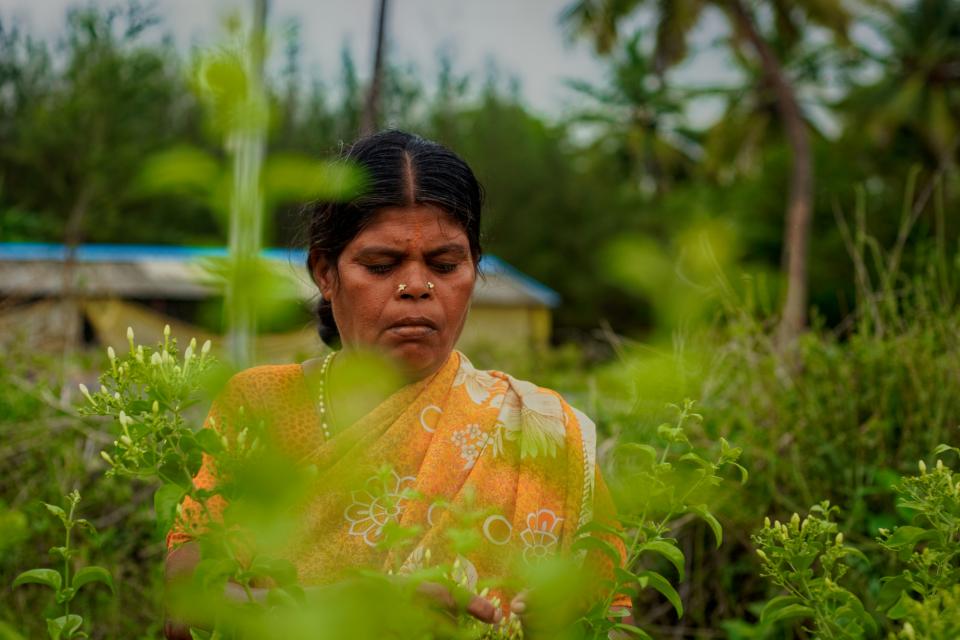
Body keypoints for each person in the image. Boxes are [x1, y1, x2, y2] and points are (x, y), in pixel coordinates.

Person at [164, 130, 632, 638]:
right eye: (382, 265)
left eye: (445, 264)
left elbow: (615, 616)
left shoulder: (542, 431)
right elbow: (187, 599)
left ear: (474, 269)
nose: (415, 287)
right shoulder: (263, 405)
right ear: (325, 272)